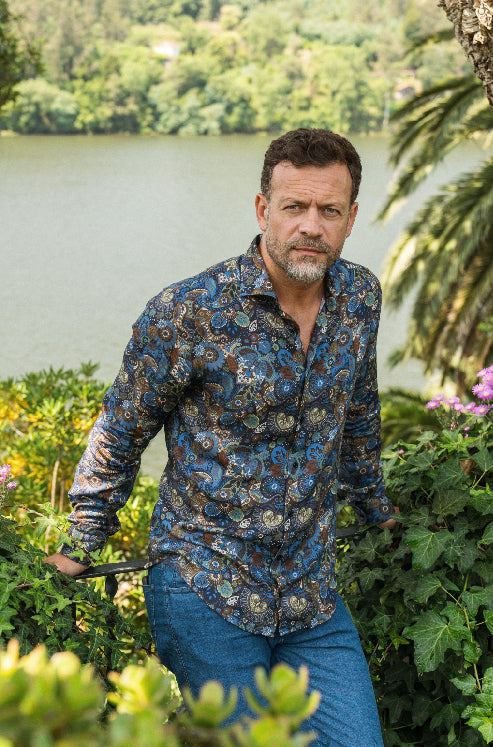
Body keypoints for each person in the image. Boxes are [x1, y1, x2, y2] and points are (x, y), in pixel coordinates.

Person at [45, 128, 396, 746]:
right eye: (294, 207)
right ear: (263, 209)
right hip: (205, 585)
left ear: (351, 217)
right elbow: (121, 431)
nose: (310, 226)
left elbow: (359, 413)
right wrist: (81, 541)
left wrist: (378, 510)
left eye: (329, 210)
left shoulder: (360, 298)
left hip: (311, 593)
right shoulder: (190, 311)